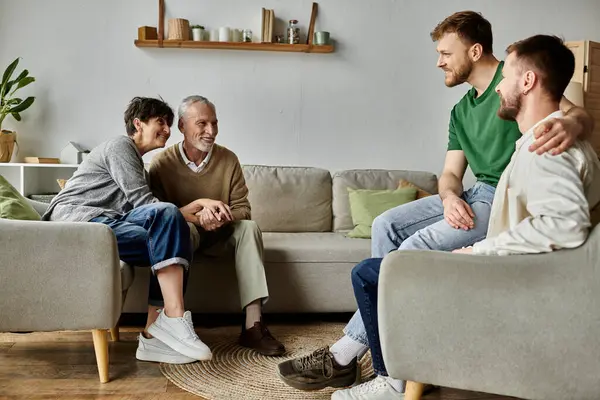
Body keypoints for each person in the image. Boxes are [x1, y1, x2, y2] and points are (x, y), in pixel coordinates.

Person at [277, 10, 594, 394]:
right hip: (474, 193)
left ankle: (375, 365)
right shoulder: (462, 110)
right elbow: (449, 175)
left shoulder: (515, 84)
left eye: (446, 52)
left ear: (475, 51)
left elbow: (567, 109)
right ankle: (386, 353)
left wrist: (576, 123)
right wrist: (447, 198)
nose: (439, 61)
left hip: (501, 197)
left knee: (407, 257)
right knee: (384, 226)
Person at [42, 97, 221, 364]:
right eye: (160, 121)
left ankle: (152, 337)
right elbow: (147, 206)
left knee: (174, 239)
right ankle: (172, 318)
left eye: (169, 124)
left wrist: (192, 209)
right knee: (170, 225)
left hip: (104, 224)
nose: (167, 129)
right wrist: (192, 208)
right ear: (138, 124)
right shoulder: (120, 146)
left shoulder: (137, 164)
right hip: (79, 222)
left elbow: (146, 213)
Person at [148, 95, 285, 356]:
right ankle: (175, 326)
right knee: (180, 229)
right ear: (182, 127)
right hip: (185, 236)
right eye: (201, 123)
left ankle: (253, 326)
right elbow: (157, 216)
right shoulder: (161, 164)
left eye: (214, 123)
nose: (210, 131)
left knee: (250, 228)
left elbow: (244, 209)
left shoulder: (228, 160)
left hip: (221, 235)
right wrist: (199, 216)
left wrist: (219, 217)